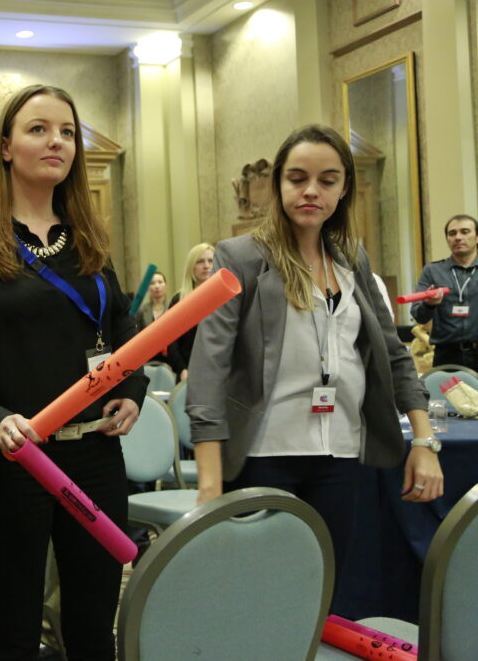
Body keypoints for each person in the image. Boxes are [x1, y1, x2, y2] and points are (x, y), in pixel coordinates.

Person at [0, 84, 148, 659]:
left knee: (91, 629)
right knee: (14, 634)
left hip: (95, 458)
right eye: (38, 129)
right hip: (12, 461)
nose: (57, 141)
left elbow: (122, 331)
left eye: (68, 132)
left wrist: (133, 391)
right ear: (5, 147)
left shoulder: (91, 239)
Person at [187, 124, 443, 602]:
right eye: (297, 177)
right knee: (260, 597)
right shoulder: (240, 257)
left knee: (322, 590)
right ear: (278, 183)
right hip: (263, 454)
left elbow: (392, 354)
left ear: (344, 187)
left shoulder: (351, 258)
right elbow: (208, 370)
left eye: (327, 180)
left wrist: (424, 440)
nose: (311, 191)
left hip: (341, 453)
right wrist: (208, 483)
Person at [411, 214, 478, 370]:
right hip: (447, 355)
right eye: (452, 233)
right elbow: (418, 315)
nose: (458, 237)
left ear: (476, 237)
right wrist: (428, 304)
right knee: (447, 395)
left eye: (465, 231)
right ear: (447, 239)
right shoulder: (433, 271)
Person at [167, 243, 215, 380]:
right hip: (188, 372)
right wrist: (182, 369)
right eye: (200, 261)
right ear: (191, 267)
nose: (206, 265)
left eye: (210, 261)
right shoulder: (179, 300)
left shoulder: (225, 297)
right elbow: (172, 341)